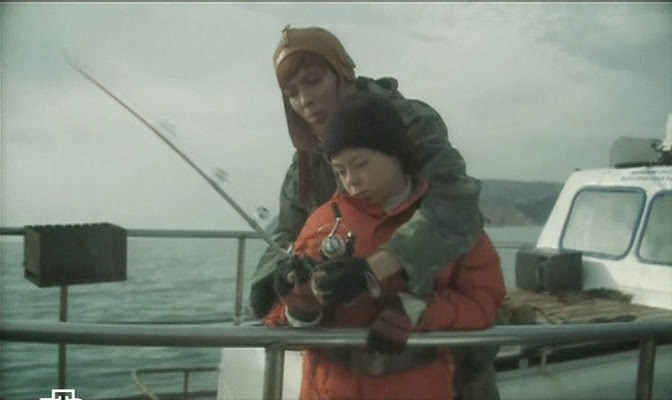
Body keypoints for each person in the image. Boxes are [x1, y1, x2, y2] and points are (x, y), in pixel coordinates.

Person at [249, 25, 498, 399]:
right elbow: (286, 232)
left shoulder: (408, 123)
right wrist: (289, 278)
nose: (304, 101)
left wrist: (377, 268)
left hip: (435, 333)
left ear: (342, 74)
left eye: (313, 81)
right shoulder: (305, 164)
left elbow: (454, 202)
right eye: (291, 93)